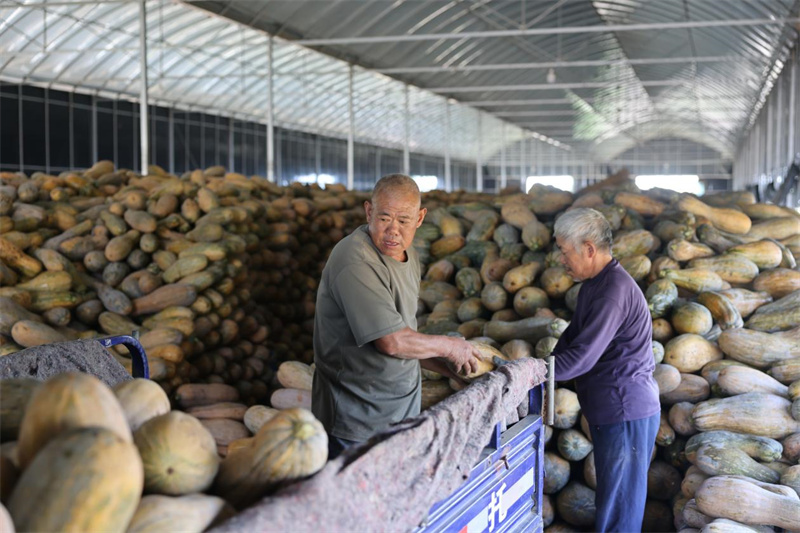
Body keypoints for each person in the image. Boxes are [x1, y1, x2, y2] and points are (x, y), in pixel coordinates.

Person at [312, 174, 481, 459]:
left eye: (403, 221)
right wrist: (450, 347)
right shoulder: (354, 259)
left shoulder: (407, 254)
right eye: (384, 218)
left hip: (398, 415)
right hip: (357, 423)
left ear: (420, 218)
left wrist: (450, 369)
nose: (393, 231)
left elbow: (406, 337)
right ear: (368, 212)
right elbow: (392, 341)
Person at [550, 208, 660, 533]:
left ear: (588, 249)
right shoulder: (593, 286)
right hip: (613, 411)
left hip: (625, 412)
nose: (561, 259)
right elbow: (570, 340)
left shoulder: (613, 291)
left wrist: (536, 373)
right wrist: (539, 366)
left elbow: (582, 357)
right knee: (613, 503)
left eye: (564, 250)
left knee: (619, 514)